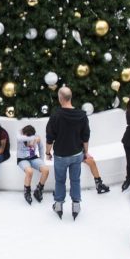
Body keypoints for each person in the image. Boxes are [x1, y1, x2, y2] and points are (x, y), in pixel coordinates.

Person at [45, 86, 95, 217]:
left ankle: (58, 205)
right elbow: (86, 136)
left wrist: (47, 153)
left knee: (60, 181)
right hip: (77, 154)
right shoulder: (82, 115)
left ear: (60, 98)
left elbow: (50, 137)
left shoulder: (55, 115)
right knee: (75, 180)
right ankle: (76, 206)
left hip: (61, 155)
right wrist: (86, 152)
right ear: (70, 97)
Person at [16, 124, 49, 205]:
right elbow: (20, 138)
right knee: (29, 171)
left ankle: (39, 190)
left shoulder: (35, 136)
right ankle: (27, 192)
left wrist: (41, 160)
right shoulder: (19, 134)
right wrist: (34, 138)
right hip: (22, 158)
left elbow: (41, 148)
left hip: (33, 157)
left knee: (46, 170)